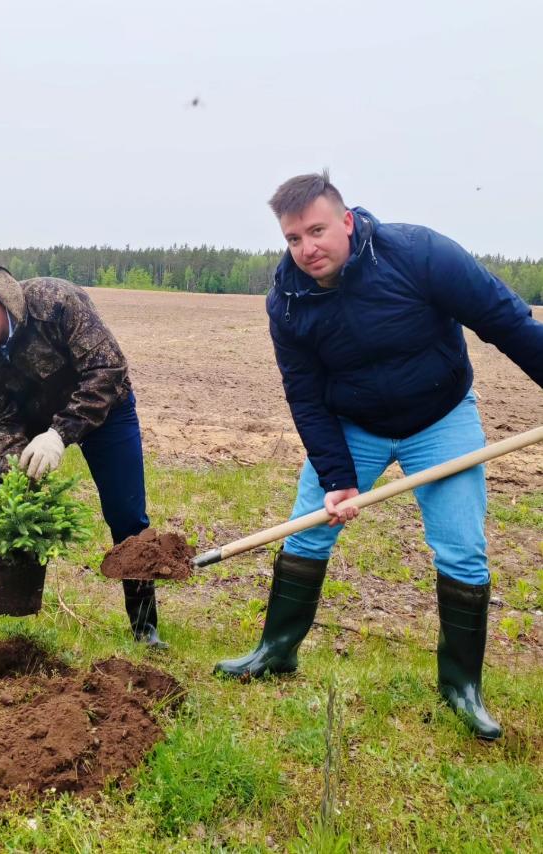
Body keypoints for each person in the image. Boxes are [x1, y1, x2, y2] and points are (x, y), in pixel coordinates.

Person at [214, 172, 543, 739]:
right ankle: (276, 650)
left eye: (316, 230)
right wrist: (338, 477)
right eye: (293, 239)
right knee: (308, 529)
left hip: (440, 417)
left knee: (462, 548)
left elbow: (505, 320)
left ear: (346, 220)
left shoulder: (419, 253)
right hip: (353, 425)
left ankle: (461, 686)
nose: (307, 248)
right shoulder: (287, 301)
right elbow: (305, 396)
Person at [0, 265, 166, 647]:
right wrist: (16, 468)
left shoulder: (54, 302)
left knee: (126, 515)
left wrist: (60, 434)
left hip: (105, 410)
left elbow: (107, 370)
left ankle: (145, 629)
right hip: (27, 420)